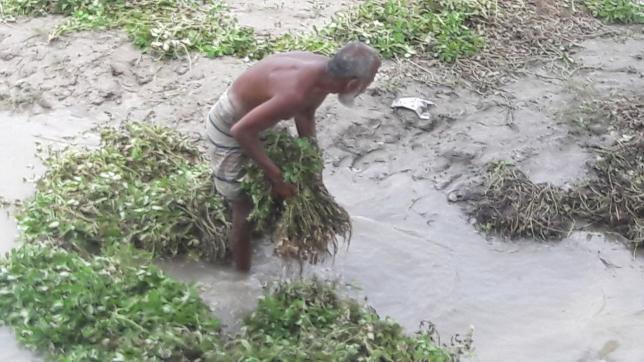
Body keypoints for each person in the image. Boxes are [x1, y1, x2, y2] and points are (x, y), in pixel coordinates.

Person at [206, 41, 381, 271]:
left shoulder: (322, 76)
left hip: (259, 118)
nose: (365, 89)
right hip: (230, 123)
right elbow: (241, 131)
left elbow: (305, 114)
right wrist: (277, 178)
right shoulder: (296, 92)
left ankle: (265, 233)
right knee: (243, 204)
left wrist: (312, 162)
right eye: (367, 83)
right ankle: (240, 276)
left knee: (281, 186)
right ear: (352, 84)